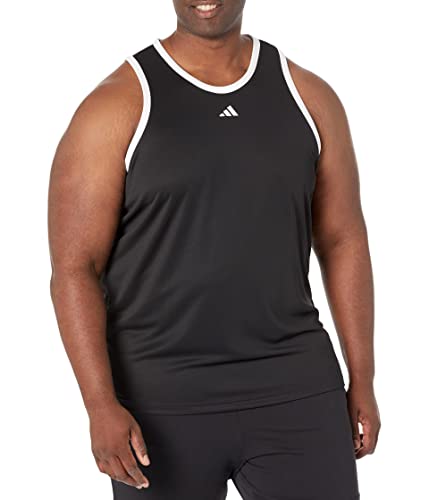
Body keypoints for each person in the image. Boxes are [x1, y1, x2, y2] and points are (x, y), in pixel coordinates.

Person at [48, 1, 381, 498]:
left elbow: (342, 238)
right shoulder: (116, 105)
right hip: (159, 401)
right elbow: (75, 268)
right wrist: (99, 404)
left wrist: (363, 378)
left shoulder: (309, 97)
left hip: (294, 386)